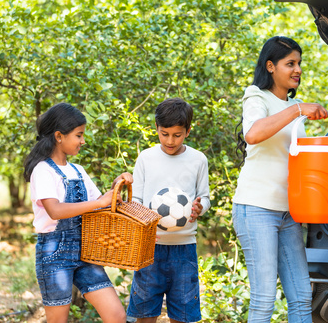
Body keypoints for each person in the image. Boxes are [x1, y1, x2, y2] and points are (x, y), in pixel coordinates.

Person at [233, 36, 328, 322]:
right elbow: (253, 134)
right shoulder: (256, 96)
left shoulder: (295, 105)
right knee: (264, 300)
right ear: (271, 66)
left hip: (289, 212)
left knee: (301, 297)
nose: (297, 69)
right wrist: (298, 110)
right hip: (256, 208)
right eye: (290, 63)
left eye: (299, 63)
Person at [23, 102, 131, 323]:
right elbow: (55, 210)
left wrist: (118, 184)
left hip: (85, 252)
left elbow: (102, 204)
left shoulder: (77, 170)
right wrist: (98, 202)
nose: (83, 141)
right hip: (54, 254)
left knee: (117, 316)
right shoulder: (42, 170)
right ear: (59, 136)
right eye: (79, 135)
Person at [127, 97, 211, 323]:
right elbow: (135, 198)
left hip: (184, 250)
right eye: (164, 134)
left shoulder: (198, 160)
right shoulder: (146, 158)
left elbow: (205, 197)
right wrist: (142, 221)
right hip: (149, 248)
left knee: (183, 314)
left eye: (177, 135)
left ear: (188, 131)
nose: (170, 141)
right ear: (156, 129)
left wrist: (199, 207)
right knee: (144, 312)